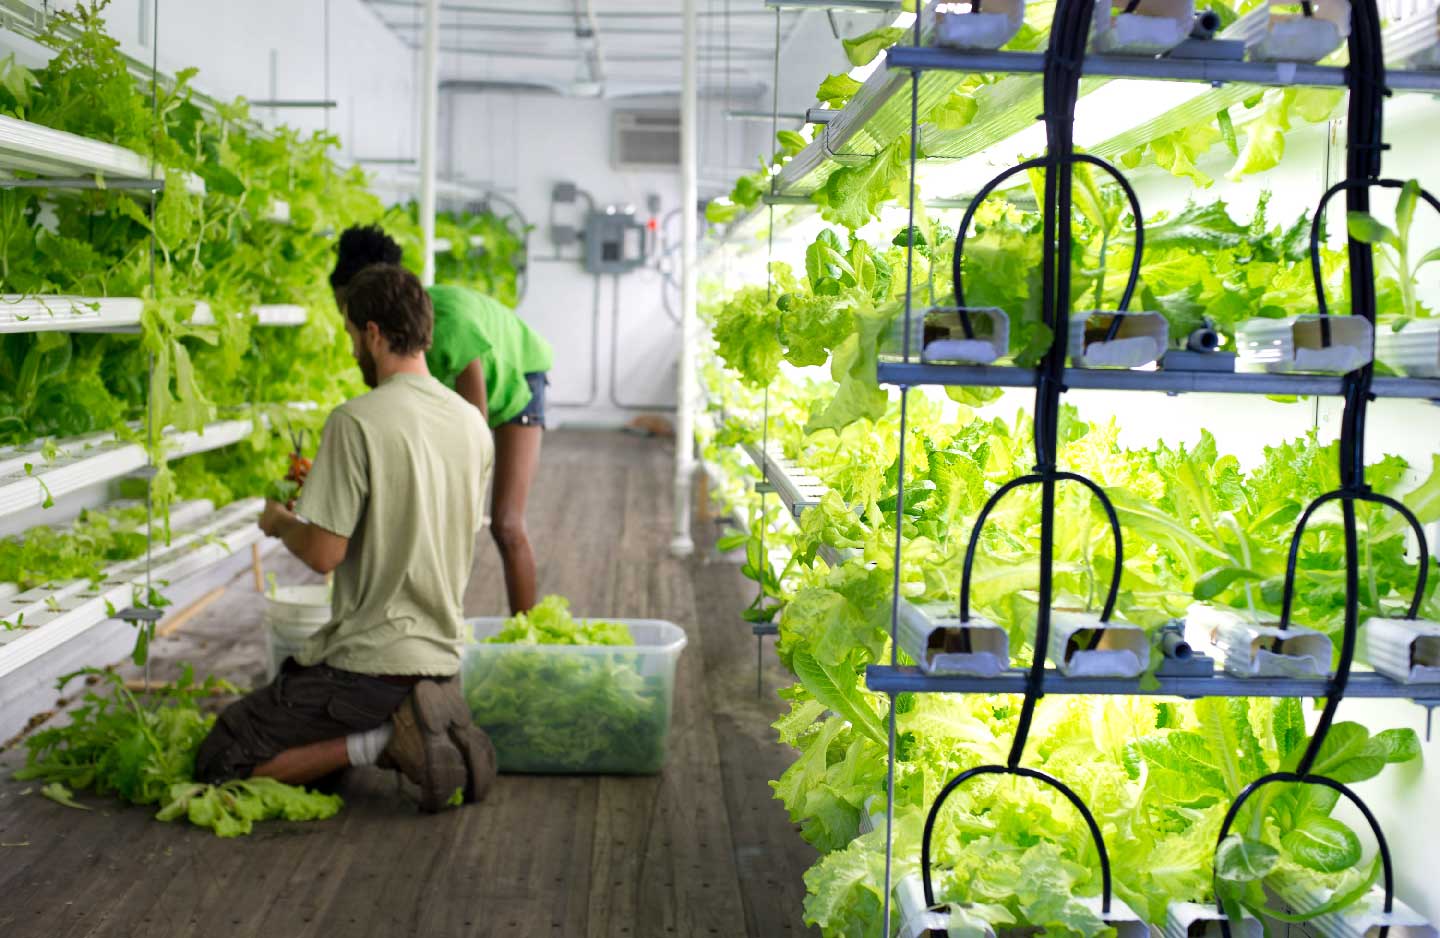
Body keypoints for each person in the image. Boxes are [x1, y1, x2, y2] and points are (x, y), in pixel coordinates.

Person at [195, 263, 496, 813]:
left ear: (374, 334)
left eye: (353, 337)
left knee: (222, 758)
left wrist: (280, 522)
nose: (353, 350)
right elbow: (419, 519)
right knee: (305, 759)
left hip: (371, 662)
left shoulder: (356, 421)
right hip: (441, 653)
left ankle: (384, 740)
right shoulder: (473, 423)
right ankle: (416, 718)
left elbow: (323, 556)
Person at [329, 225, 552, 615]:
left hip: (519, 378)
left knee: (505, 523)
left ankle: (528, 641)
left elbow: (473, 432)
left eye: (349, 314)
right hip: (474, 397)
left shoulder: (446, 326)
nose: (350, 330)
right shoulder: (394, 337)